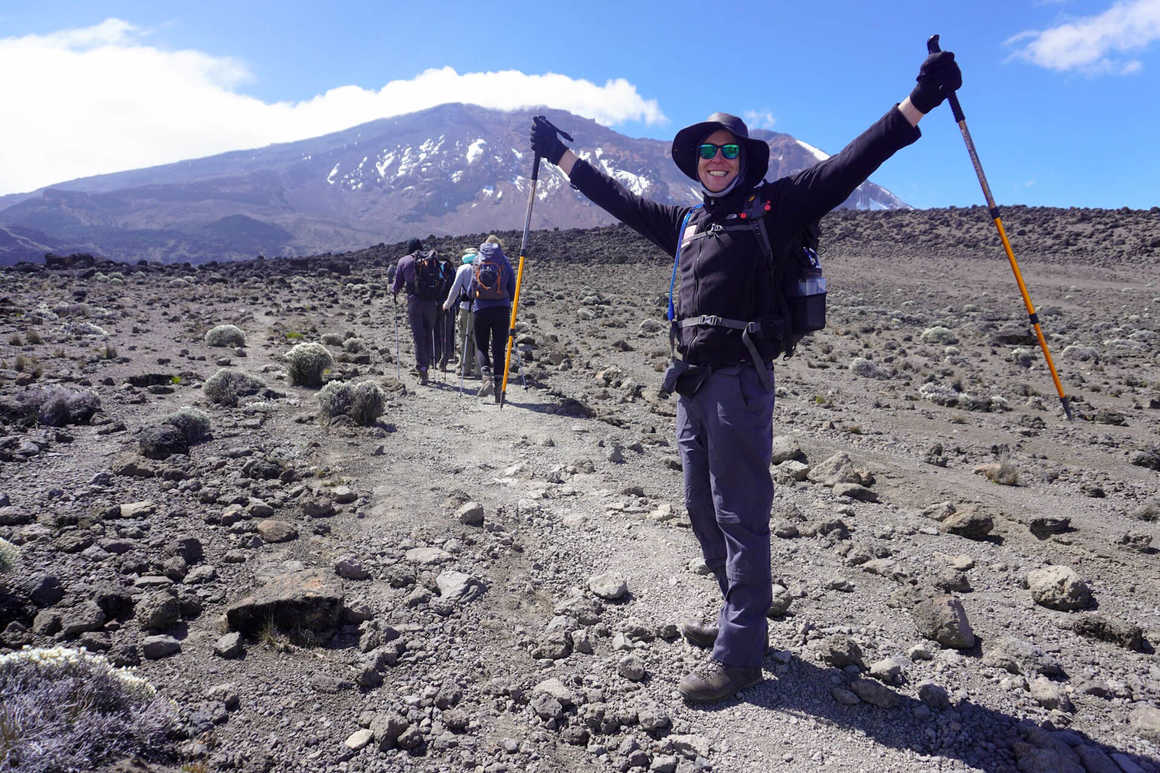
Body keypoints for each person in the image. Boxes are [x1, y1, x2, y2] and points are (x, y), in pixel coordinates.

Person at [531, 51, 962, 703]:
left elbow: (850, 165)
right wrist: (562, 158)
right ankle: (742, 616)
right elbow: (618, 200)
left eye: (728, 150)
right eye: (707, 151)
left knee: (741, 514)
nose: (716, 158)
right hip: (692, 387)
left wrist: (918, 103)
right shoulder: (687, 224)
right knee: (700, 508)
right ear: (695, 161)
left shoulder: (776, 208)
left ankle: (738, 657)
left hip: (740, 383)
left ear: (744, 159)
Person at [468, 238, 516, 402]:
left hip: (480, 309)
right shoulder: (504, 261)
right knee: (498, 348)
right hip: (501, 310)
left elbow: (471, 289)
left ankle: (486, 377)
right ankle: (499, 389)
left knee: (481, 346)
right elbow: (512, 288)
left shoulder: (477, 260)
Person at [390, 238, 441, 385]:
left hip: (414, 303)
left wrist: (393, 292)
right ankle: (431, 362)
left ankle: (422, 369)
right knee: (429, 333)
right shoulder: (431, 259)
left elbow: (397, 284)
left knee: (418, 336)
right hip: (431, 302)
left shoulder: (404, 261)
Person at [443, 247, 484, 379]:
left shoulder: (463, 268)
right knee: (479, 339)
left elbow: (455, 289)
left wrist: (447, 304)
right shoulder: (483, 267)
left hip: (465, 308)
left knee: (464, 337)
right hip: (481, 308)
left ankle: (463, 368)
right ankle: (480, 369)